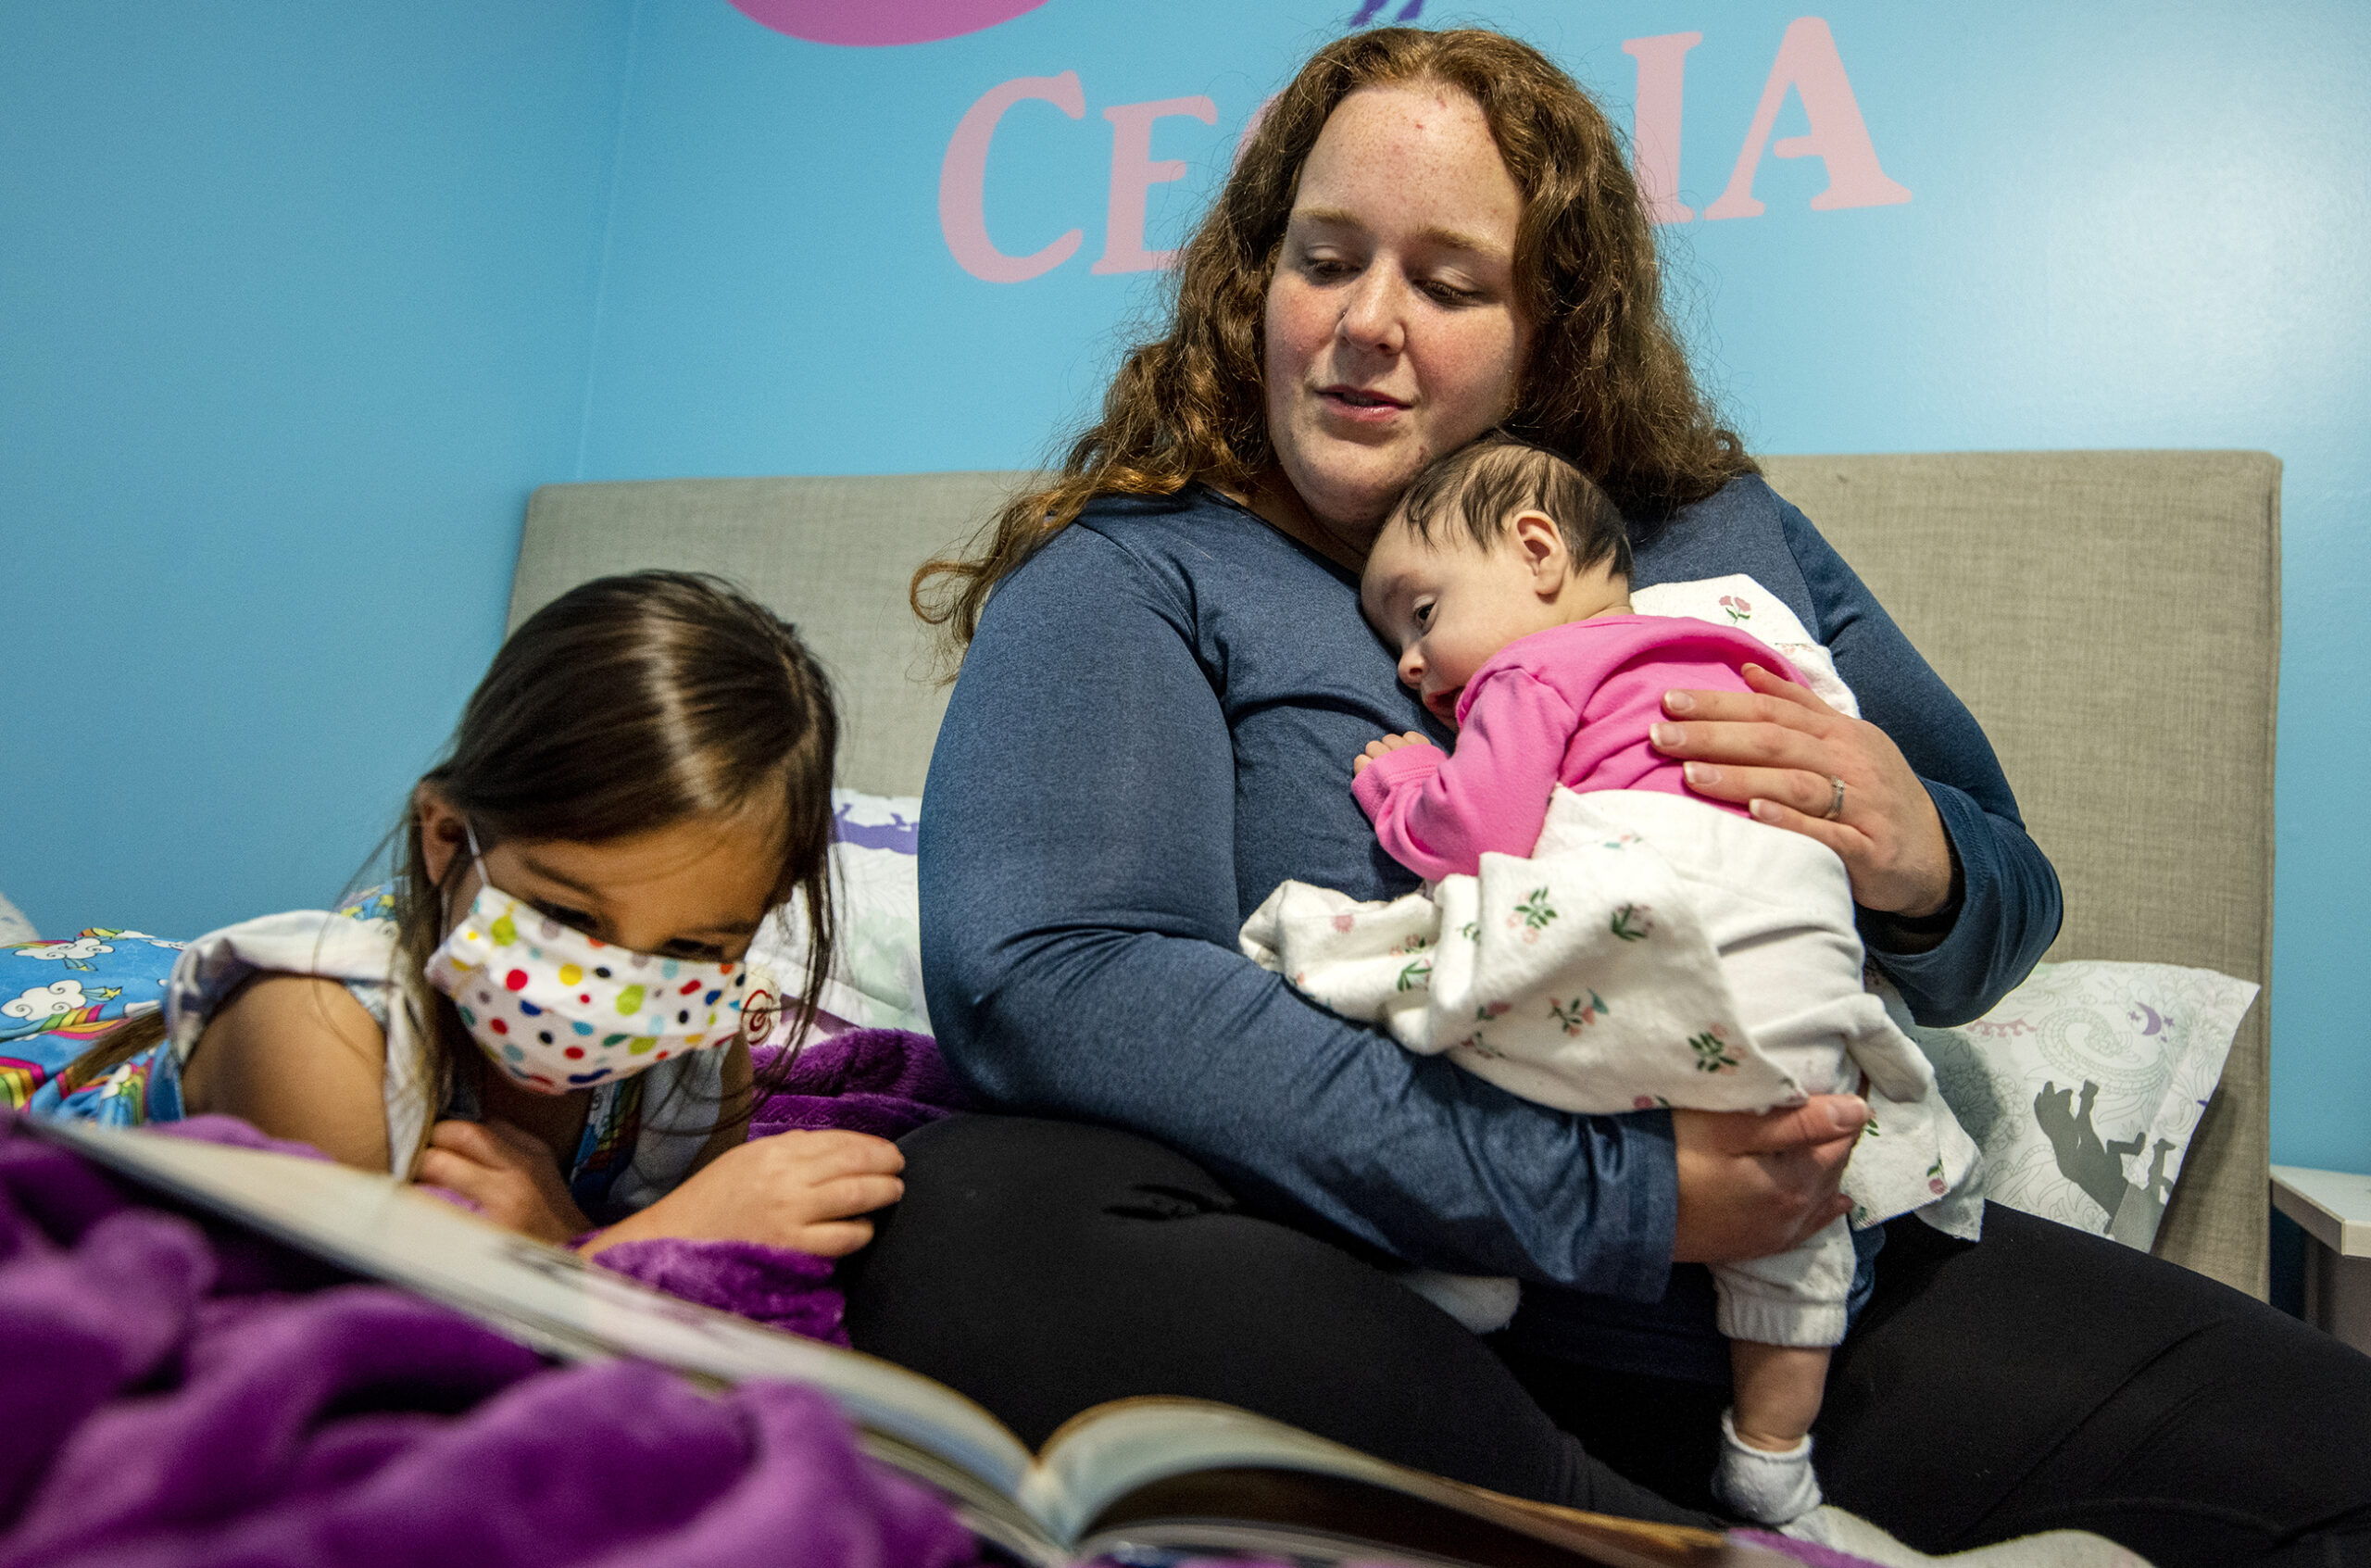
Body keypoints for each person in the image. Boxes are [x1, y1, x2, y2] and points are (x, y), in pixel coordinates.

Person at [845, 25, 2371, 1565]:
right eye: (1323, 259)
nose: (1365, 323)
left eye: (1446, 283)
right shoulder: (1145, 569)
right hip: (1368, 1299)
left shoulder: (1719, 541)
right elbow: (1052, 979)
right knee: (974, 1219)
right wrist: (1616, 1192)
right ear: (1258, 279)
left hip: (1788, 1301)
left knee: (2333, 1449)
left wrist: (1925, 861)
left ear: (1550, 325)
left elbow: (2004, 913)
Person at [1242, 433, 1979, 1525]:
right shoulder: (1737, 647)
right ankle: (1773, 1453)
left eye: (1421, 614)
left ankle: (1478, 1268)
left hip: (1674, 914)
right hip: (1809, 961)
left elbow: (1477, 826)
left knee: (1477, 1014)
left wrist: (1403, 780)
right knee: (1796, 1193)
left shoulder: (1533, 667)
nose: (1406, 663)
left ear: (1536, 552)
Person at [48, 571, 905, 1259]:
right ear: (447, 835)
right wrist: (616, 1249)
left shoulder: (697, 1064)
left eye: (688, 946)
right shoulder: (318, 1029)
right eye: (565, 913)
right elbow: (356, 1340)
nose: (609, 990)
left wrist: (563, 1230)